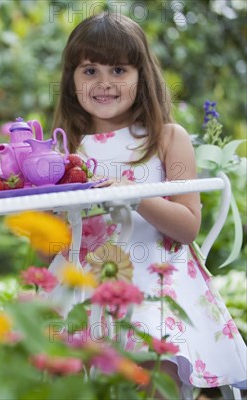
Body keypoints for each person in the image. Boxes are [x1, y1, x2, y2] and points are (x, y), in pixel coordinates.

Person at [48, 13, 247, 394]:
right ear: (71, 81)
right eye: (89, 71)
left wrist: (134, 194)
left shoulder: (166, 138)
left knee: (155, 376)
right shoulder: (64, 150)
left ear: (142, 77)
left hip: (155, 284)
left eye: (119, 69)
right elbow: (50, 246)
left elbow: (188, 225)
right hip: (83, 285)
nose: (104, 83)